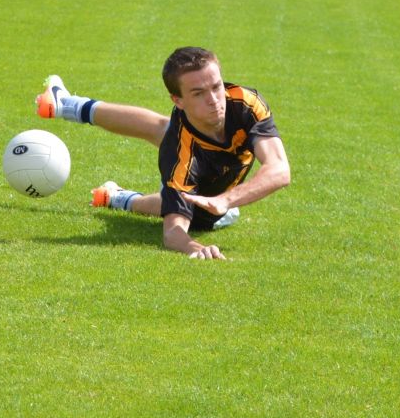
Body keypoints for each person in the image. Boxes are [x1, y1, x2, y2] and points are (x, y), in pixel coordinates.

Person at [35, 47, 290, 260]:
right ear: (177, 100)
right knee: (193, 208)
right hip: (203, 200)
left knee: (160, 127)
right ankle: (120, 199)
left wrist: (226, 199)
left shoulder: (245, 102)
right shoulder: (181, 156)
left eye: (216, 86)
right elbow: (173, 232)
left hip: (216, 190)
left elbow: (279, 170)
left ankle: (66, 105)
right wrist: (196, 247)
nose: (214, 99)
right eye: (198, 93)